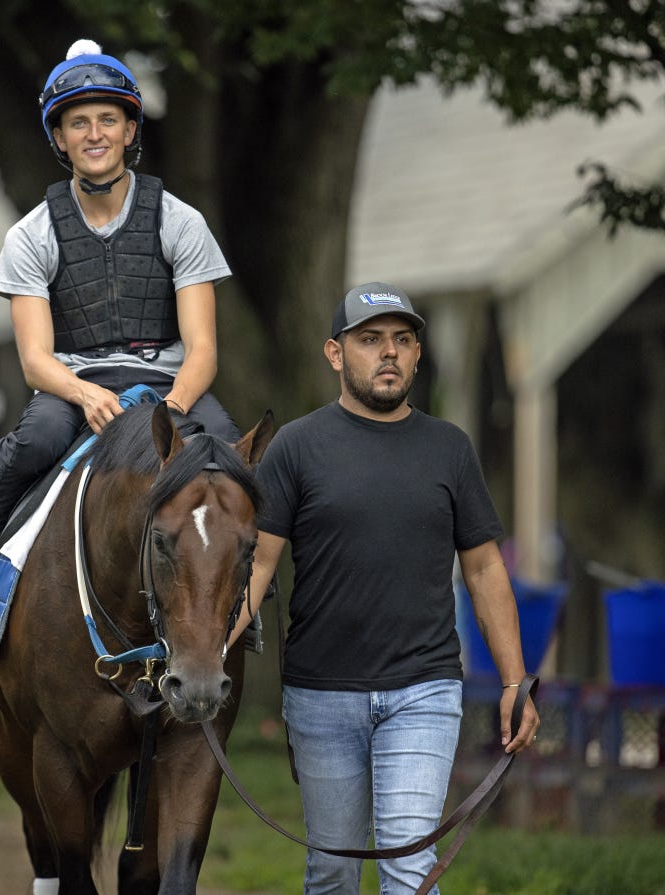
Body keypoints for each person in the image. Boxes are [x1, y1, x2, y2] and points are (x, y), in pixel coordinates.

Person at [229, 283, 540, 894]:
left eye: (402, 340)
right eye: (370, 340)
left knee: (408, 867)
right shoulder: (294, 447)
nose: (388, 353)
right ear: (336, 354)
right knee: (333, 871)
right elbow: (257, 569)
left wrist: (514, 683)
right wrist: (202, 660)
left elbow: (483, 570)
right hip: (320, 695)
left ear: (419, 354)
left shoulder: (449, 448)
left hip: (423, 691)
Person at [0, 38, 239, 600]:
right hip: (73, 386)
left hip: (168, 384)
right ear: (59, 138)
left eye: (108, 119)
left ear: (130, 130)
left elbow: (202, 348)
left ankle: (246, 594)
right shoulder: (31, 235)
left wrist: (170, 413)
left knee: (228, 448)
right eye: (78, 123)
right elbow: (36, 361)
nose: (95, 134)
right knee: (36, 439)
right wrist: (85, 397)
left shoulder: (180, 222)